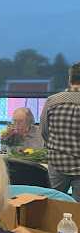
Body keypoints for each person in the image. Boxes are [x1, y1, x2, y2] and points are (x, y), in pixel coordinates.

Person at [41, 61, 80, 201]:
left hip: (57, 161)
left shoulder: (52, 100)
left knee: (54, 204)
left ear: (70, 80)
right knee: (77, 209)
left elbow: (44, 131)